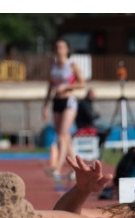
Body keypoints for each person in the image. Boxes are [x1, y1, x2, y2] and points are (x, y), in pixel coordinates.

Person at [42, 38, 85, 185]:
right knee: (65, 137)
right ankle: (76, 168)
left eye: (62, 47)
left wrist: (66, 87)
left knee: (61, 135)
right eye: (57, 47)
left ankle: (57, 168)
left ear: (67, 49)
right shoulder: (52, 66)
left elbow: (82, 84)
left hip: (69, 101)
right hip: (56, 101)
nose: (59, 49)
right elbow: (50, 86)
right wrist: (45, 105)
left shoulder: (71, 65)